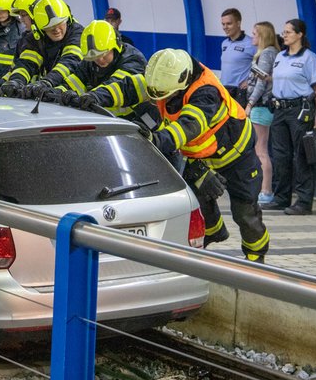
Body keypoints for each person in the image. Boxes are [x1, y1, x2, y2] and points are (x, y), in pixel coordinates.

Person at [78, 48, 269, 262]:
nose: (156, 99)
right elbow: (129, 88)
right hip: (202, 156)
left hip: (236, 156)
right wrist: (94, 96)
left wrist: (155, 140)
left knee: (244, 210)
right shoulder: (167, 77)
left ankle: (256, 258)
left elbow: (188, 127)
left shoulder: (206, 92)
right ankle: (213, 232)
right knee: (197, 199)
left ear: (181, 83)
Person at [261, 18, 316, 216]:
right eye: (284, 31)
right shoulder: (280, 56)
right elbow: (282, 78)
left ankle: (304, 201)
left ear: (300, 35)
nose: (284, 35)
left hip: (300, 110)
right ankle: (281, 198)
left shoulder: (309, 58)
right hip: (280, 109)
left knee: (302, 156)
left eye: (288, 32)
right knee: (280, 155)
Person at [49, 20, 147, 117]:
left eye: (104, 54)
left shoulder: (133, 60)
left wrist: (92, 96)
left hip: (138, 123)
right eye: (94, 57)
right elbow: (74, 82)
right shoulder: (90, 62)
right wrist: (53, 92)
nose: (100, 60)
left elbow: (115, 85)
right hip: (107, 121)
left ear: (116, 45)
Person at [0, 0, 83, 98]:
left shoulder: (78, 34)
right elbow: (26, 63)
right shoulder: (34, 37)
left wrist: (47, 82)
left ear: (67, 20)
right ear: (40, 29)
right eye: (50, 28)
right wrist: (16, 81)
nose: (56, 30)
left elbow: (70, 61)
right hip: (51, 95)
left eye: (60, 24)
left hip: (73, 96)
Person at [243, 22, 281, 205]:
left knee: (261, 150)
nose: (252, 37)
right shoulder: (274, 53)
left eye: (255, 34)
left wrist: (250, 103)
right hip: (266, 106)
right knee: (262, 149)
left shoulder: (266, 54)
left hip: (260, 106)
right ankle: (264, 190)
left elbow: (261, 82)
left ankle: (265, 191)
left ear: (262, 36)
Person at [220, 8, 256, 108]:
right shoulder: (224, 43)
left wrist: (250, 81)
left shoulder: (251, 43)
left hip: (239, 93)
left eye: (229, 24)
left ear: (238, 23)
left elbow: (264, 67)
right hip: (224, 90)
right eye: (223, 24)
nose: (225, 27)